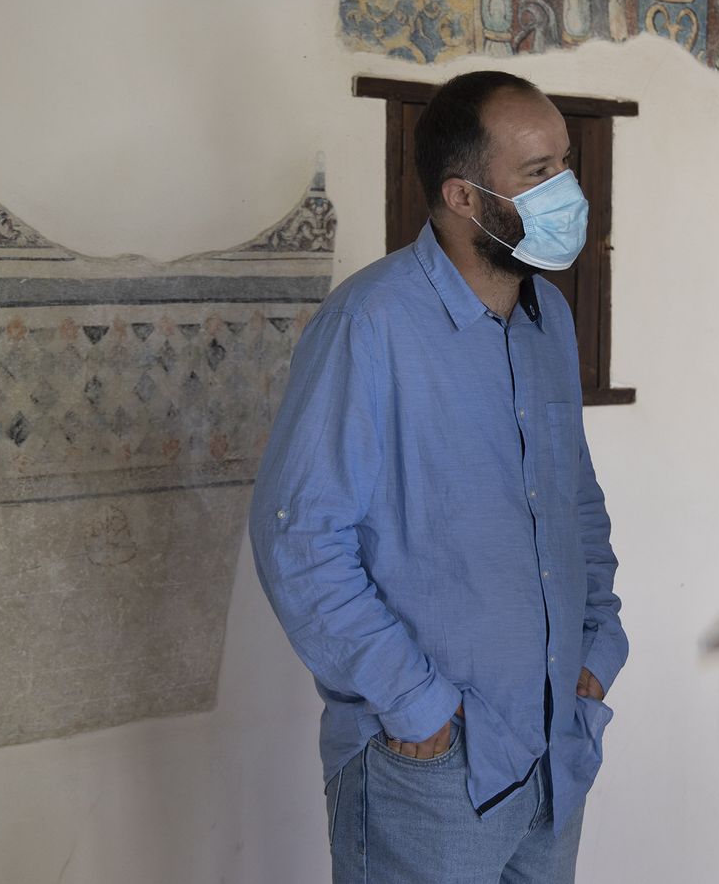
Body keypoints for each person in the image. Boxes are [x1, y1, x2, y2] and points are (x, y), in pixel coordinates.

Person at [248, 70, 629, 884]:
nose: (568, 190)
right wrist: (418, 707)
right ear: (464, 196)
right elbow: (299, 539)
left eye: (566, 163)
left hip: (555, 747)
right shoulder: (369, 323)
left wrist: (599, 643)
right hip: (426, 769)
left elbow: (574, 501)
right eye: (539, 173)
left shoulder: (547, 317)